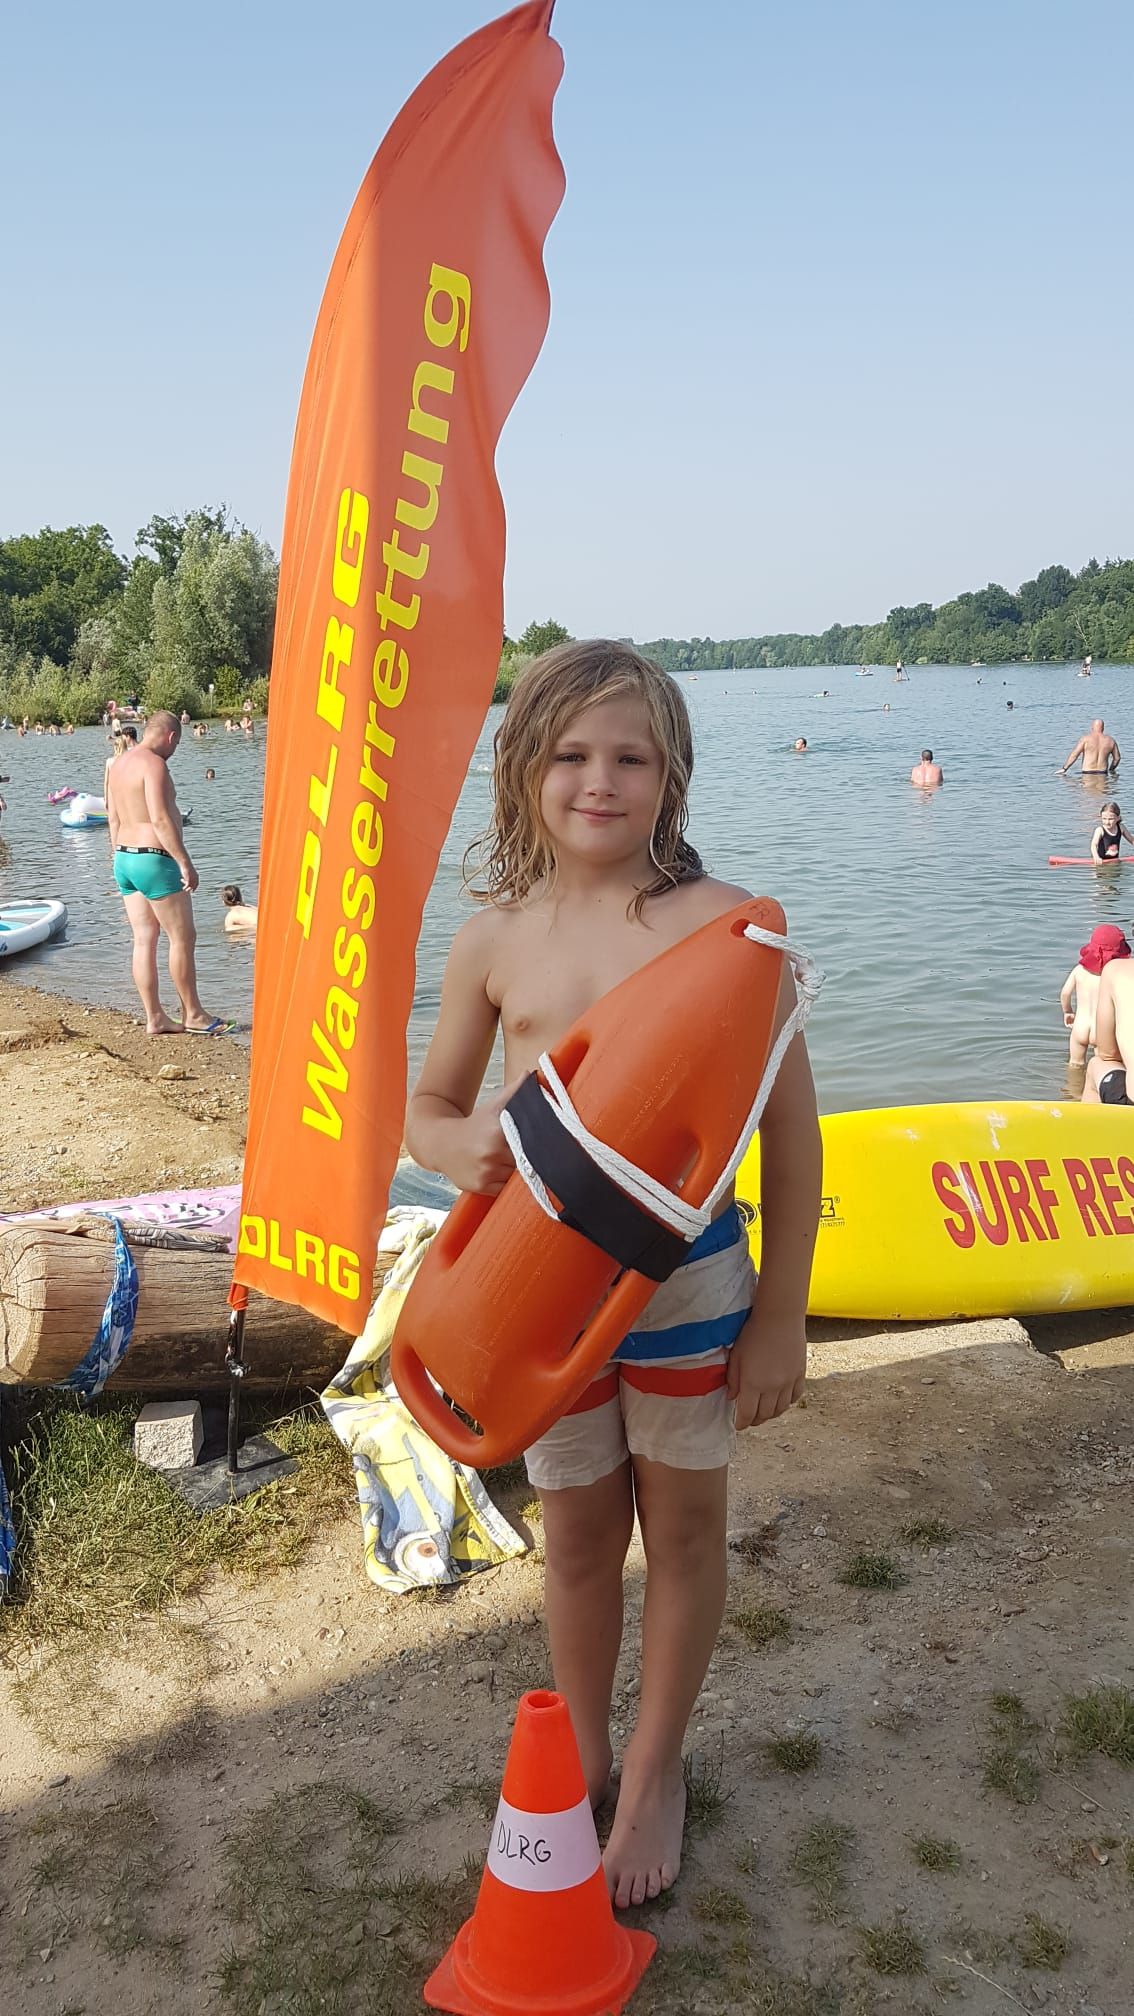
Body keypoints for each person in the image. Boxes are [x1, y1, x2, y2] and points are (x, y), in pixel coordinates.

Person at [404, 640, 821, 1908]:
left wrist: (784, 1318)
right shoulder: (492, 940)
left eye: (630, 756)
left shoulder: (728, 930)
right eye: (571, 755)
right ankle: (579, 1753)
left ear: (671, 773)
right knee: (579, 1537)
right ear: (524, 769)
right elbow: (424, 1108)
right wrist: (454, 1140)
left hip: (689, 1284)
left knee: (685, 1531)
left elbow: (792, 1139)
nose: (600, 781)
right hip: (537, 1298)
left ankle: (654, 1771)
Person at [105, 709, 226, 1036]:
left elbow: (112, 818)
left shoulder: (117, 765)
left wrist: (119, 858)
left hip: (124, 858)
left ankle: (155, 1017)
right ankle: (193, 1014)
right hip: (154, 858)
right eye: (177, 743)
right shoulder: (155, 765)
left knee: (143, 938)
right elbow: (159, 819)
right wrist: (184, 862)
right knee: (183, 937)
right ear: (171, 737)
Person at [1061, 926, 1130, 1065]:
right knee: (1104, 1064)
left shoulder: (1079, 970)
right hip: (1102, 1032)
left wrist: (1068, 1012)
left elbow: (1065, 993)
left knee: (1074, 1064)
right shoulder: (1113, 977)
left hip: (1079, 1028)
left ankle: (1073, 1086)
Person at [1083, 945, 1134, 1104]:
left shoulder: (1116, 969)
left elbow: (1108, 1053)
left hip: (1130, 1109)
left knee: (1096, 1064)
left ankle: (1089, 1127)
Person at [103, 721, 138, 801]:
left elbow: (106, 782)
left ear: (128, 736)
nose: (123, 740)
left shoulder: (128, 753)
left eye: (123, 737)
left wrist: (106, 798)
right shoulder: (139, 749)